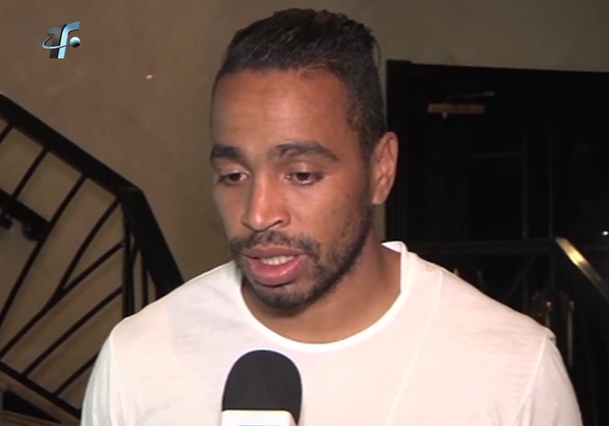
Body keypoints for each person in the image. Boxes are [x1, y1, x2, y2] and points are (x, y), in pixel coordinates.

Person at [80, 8, 582, 426]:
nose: (257, 214)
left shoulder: (515, 369)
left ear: (381, 170)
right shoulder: (137, 359)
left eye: (301, 174)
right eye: (233, 175)